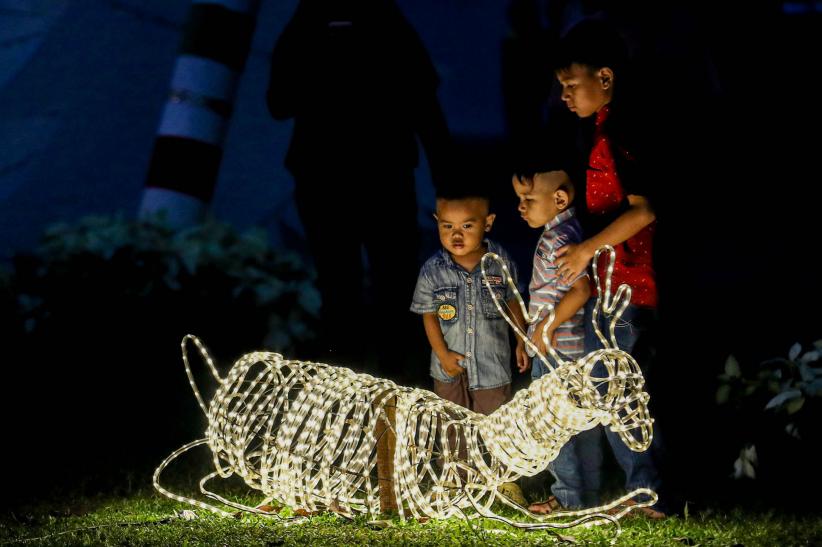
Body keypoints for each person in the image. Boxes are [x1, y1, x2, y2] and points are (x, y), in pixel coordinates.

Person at [266, 0, 450, 374]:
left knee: (366, 289)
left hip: (358, 176)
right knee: (363, 289)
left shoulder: (336, 20)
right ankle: (363, 387)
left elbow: (424, 104)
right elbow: (426, 106)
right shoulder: (331, 20)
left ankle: (372, 387)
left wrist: (449, 182)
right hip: (355, 176)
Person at [551, 18, 666, 518]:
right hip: (612, 286)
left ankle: (648, 493)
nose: (565, 96)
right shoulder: (602, 133)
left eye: (572, 86)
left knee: (622, 390)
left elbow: (644, 210)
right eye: (561, 88)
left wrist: (584, 251)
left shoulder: (623, 134)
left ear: (605, 77)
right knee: (614, 387)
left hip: (629, 287)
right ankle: (635, 489)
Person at [511, 161, 592, 512]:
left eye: (528, 198)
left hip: (557, 351)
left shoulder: (557, 239)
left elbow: (581, 290)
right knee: (569, 424)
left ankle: (569, 497)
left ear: (559, 198)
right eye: (519, 198)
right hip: (559, 348)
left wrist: (544, 330)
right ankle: (580, 492)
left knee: (555, 426)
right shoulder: (564, 232)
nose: (521, 206)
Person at [410, 187, 528, 415]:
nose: (456, 235)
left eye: (467, 226)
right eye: (447, 226)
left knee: (492, 427)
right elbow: (429, 315)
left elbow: (512, 301)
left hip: (491, 368)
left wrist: (521, 340)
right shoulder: (432, 271)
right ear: (437, 222)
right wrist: (443, 355)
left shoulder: (500, 261)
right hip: (449, 370)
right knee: (452, 428)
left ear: (487, 222)